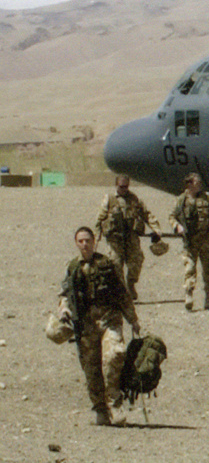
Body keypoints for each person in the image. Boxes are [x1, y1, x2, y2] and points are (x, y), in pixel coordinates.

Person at [58, 226, 140, 426]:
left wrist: (133, 320)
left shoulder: (108, 264)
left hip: (109, 319)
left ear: (94, 241)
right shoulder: (73, 267)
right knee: (91, 369)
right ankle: (100, 409)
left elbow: (122, 293)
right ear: (76, 243)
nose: (85, 244)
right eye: (80, 241)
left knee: (115, 355)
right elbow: (64, 294)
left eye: (88, 240)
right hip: (85, 325)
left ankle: (115, 404)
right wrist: (64, 309)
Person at [95, 175, 162, 301]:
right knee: (115, 264)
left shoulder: (134, 199)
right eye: (121, 187)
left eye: (126, 187)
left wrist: (156, 229)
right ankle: (122, 291)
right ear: (116, 185)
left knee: (137, 261)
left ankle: (131, 283)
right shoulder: (109, 199)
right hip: (115, 239)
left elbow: (146, 214)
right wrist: (96, 237)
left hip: (131, 237)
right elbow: (99, 219)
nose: (124, 189)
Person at [170, 173, 209, 311]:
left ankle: (208, 297)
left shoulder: (207, 198)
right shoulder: (181, 200)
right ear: (189, 184)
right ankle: (189, 294)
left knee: (207, 270)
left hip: (207, 240)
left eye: (200, 182)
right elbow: (172, 216)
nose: (200, 184)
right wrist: (177, 226)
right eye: (197, 182)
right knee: (190, 268)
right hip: (191, 241)